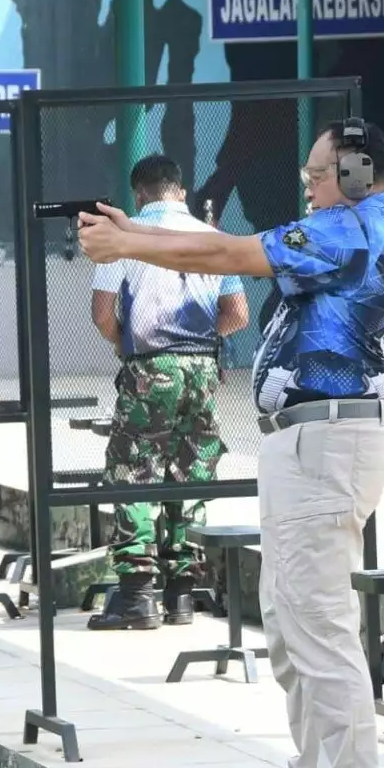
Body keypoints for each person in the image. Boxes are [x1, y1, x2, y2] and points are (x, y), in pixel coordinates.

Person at [78, 118, 384, 768]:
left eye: (318, 174)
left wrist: (132, 244)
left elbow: (231, 253)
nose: (308, 186)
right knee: (288, 622)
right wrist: (139, 237)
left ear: (356, 171)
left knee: (318, 625)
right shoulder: (343, 224)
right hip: (305, 435)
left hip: (331, 434)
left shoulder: (352, 228)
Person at [86, 154, 249, 631]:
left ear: (138, 194)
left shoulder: (123, 235)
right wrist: (199, 345)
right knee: (190, 465)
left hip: (148, 364)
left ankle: (138, 594)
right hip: (202, 368)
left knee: (135, 469)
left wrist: (133, 348)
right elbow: (238, 313)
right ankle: (183, 589)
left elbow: (101, 314)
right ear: (180, 190)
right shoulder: (212, 234)